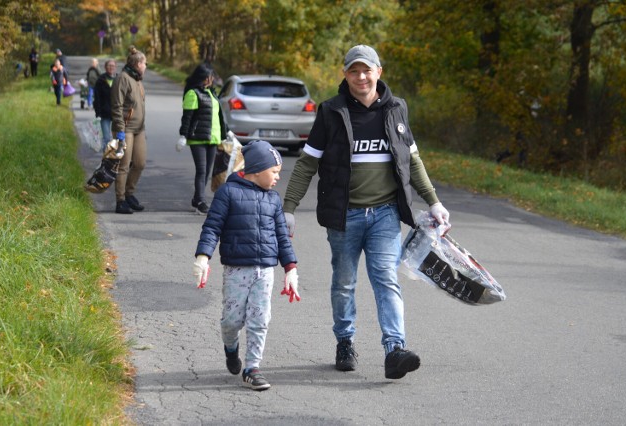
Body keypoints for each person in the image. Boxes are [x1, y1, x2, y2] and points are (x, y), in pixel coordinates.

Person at [282, 45, 451, 379]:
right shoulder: (331, 111)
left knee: (386, 280)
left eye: (367, 70)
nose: (361, 77)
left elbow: (412, 161)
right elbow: (306, 164)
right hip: (345, 217)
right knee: (344, 283)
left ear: (379, 72)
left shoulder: (397, 109)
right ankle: (345, 340)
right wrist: (288, 208)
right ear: (345, 75)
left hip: (386, 214)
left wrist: (433, 201)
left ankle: (395, 350)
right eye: (354, 71)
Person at [193, 140, 300, 391]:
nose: (277, 178)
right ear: (257, 169)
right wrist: (203, 257)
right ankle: (231, 348)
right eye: (274, 172)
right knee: (231, 321)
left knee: (259, 319)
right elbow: (212, 227)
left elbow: (282, 238)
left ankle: (252, 368)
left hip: (265, 271)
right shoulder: (228, 193)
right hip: (236, 270)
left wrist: (291, 268)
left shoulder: (273, 200)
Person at [177, 63, 225, 214]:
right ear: (205, 78)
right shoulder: (193, 93)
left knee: (208, 170)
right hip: (198, 137)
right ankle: (201, 201)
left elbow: (219, 116)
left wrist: (227, 132)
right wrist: (183, 135)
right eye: (211, 76)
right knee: (201, 170)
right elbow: (187, 117)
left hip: (213, 138)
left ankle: (197, 198)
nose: (212, 79)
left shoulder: (212, 93)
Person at [111, 46, 147, 214]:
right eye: (144, 63)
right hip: (125, 129)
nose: (146, 66)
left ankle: (129, 193)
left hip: (139, 129)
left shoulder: (138, 79)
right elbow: (117, 106)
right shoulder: (122, 78)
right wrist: (119, 130)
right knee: (124, 165)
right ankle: (121, 200)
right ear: (138, 64)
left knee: (140, 163)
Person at [94, 59, 117, 151]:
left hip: (117, 114)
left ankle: (116, 160)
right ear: (105, 67)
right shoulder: (100, 80)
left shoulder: (119, 79)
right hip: (104, 113)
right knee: (107, 138)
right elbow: (97, 98)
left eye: (113, 66)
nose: (111, 67)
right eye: (109, 66)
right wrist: (98, 113)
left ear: (115, 67)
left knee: (117, 139)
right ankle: (106, 160)